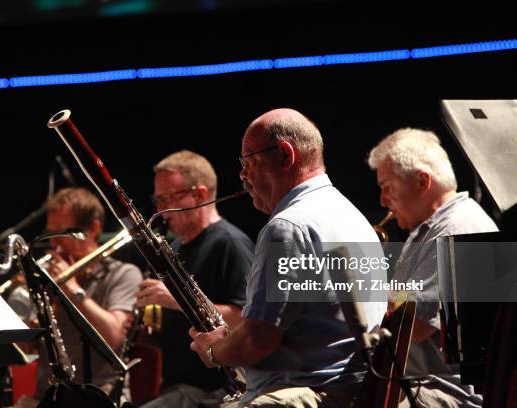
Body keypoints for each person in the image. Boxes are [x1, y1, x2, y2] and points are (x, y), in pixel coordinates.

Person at [190, 108, 387, 407]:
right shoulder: (351, 215)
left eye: (249, 161)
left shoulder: (289, 227)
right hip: (348, 394)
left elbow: (257, 341)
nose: (243, 175)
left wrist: (213, 349)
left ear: (285, 155)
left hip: (302, 395)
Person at [367, 127, 498, 407]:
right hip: (421, 383)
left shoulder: (459, 228)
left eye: (386, 187)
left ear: (421, 181)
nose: (381, 201)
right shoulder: (430, 227)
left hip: (447, 394)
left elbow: (412, 325)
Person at [132, 150, 253, 407]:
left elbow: (245, 318)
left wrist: (175, 298)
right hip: (176, 385)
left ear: (199, 194)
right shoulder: (174, 246)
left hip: (216, 389)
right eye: (158, 199)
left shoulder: (230, 243)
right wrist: (143, 335)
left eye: (168, 198)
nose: (161, 210)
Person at [35, 187, 142, 398]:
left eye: (62, 234)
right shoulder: (48, 278)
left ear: (93, 228)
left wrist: (72, 288)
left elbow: (113, 337)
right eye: (50, 233)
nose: (54, 244)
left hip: (101, 396)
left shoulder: (123, 274)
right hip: (49, 396)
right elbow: (26, 348)